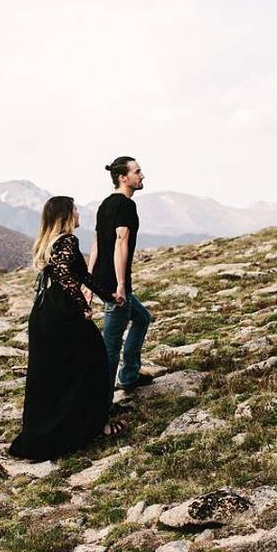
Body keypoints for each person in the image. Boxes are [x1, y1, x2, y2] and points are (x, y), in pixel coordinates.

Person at [9, 196, 126, 461]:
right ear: (66, 214)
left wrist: (108, 295)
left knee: (53, 374)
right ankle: (92, 426)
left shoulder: (51, 243)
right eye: (74, 208)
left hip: (44, 314)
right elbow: (65, 276)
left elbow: (82, 276)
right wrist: (82, 306)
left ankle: (57, 431)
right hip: (61, 315)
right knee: (93, 359)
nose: (78, 211)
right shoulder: (67, 241)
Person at [88, 156, 153, 415]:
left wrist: (89, 280)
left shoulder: (105, 205)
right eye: (137, 172)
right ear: (123, 177)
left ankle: (128, 376)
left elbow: (96, 244)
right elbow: (119, 243)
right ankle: (101, 405)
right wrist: (121, 284)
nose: (142, 175)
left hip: (104, 281)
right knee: (111, 346)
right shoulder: (125, 206)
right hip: (115, 285)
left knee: (142, 318)